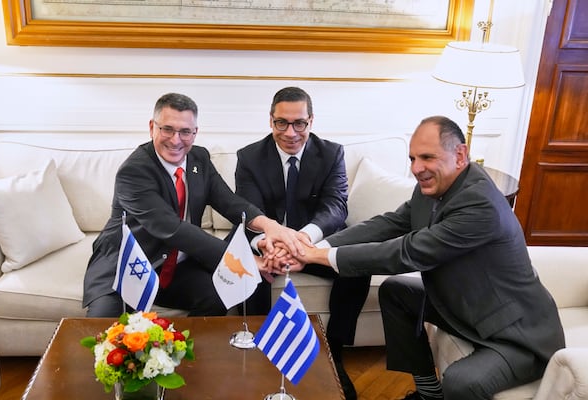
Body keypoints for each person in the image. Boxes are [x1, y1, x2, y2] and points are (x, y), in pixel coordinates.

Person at [291, 115, 565, 400]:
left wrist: (320, 256)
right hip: (465, 307)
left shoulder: (480, 203)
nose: (416, 168)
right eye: (412, 158)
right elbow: (389, 223)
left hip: (515, 334)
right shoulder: (434, 186)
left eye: (426, 157)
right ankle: (428, 395)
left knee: (461, 382)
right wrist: (312, 242)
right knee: (396, 292)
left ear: (460, 154)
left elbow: (407, 252)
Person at [83, 92, 303, 318]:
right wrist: (244, 261)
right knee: (102, 331)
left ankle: (182, 351)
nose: (176, 140)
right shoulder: (134, 171)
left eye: (185, 131)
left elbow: (230, 204)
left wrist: (270, 226)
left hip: (176, 267)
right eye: (167, 129)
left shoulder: (199, 159)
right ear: (152, 128)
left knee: (217, 298)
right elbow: (172, 228)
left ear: (195, 133)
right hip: (129, 266)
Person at [234, 86, 369, 399]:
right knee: (248, 267)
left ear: (311, 121)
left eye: (299, 123)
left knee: (357, 266)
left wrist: (304, 242)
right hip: (268, 243)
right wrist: (270, 244)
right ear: (271, 121)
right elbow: (248, 210)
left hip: (314, 240)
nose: (291, 132)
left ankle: (334, 353)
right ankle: (259, 354)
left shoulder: (332, 153)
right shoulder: (250, 157)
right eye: (282, 123)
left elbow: (336, 206)